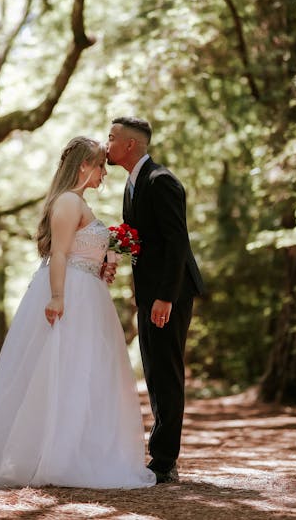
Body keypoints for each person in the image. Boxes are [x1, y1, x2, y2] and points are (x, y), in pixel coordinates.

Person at [0, 136, 155, 489]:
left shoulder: (78, 202)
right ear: (84, 167)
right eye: (100, 165)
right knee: (62, 370)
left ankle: (75, 451)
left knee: (82, 373)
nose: (104, 173)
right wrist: (58, 297)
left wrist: (103, 262)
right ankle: (55, 457)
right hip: (71, 292)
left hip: (88, 291)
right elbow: (58, 254)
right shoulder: (69, 202)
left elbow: (77, 250)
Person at [106, 117, 204, 484]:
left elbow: (177, 242)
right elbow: (140, 241)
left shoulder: (161, 181)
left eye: (112, 138)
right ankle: (160, 455)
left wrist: (165, 297)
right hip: (149, 296)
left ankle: (164, 461)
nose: (107, 144)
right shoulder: (133, 185)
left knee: (166, 372)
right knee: (154, 373)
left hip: (170, 294)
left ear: (130, 145)